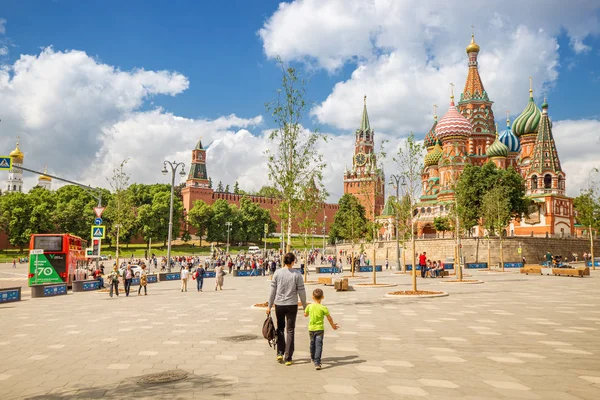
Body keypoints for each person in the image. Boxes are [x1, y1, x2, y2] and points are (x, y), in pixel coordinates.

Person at [266, 252, 307, 366]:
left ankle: (279, 352)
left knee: (280, 328)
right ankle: (288, 357)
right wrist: (305, 306)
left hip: (279, 305)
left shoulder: (277, 273)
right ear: (293, 261)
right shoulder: (297, 274)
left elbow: (272, 291)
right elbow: (301, 291)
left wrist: (269, 306)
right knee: (290, 330)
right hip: (292, 305)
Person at [304, 288, 339, 370]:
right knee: (319, 345)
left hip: (311, 329)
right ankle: (317, 362)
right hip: (320, 329)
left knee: (312, 343)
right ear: (322, 297)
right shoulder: (323, 308)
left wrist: (306, 312)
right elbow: (329, 318)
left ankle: (312, 357)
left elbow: (305, 315)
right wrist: (333, 325)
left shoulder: (309, 306)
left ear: (312, 297)